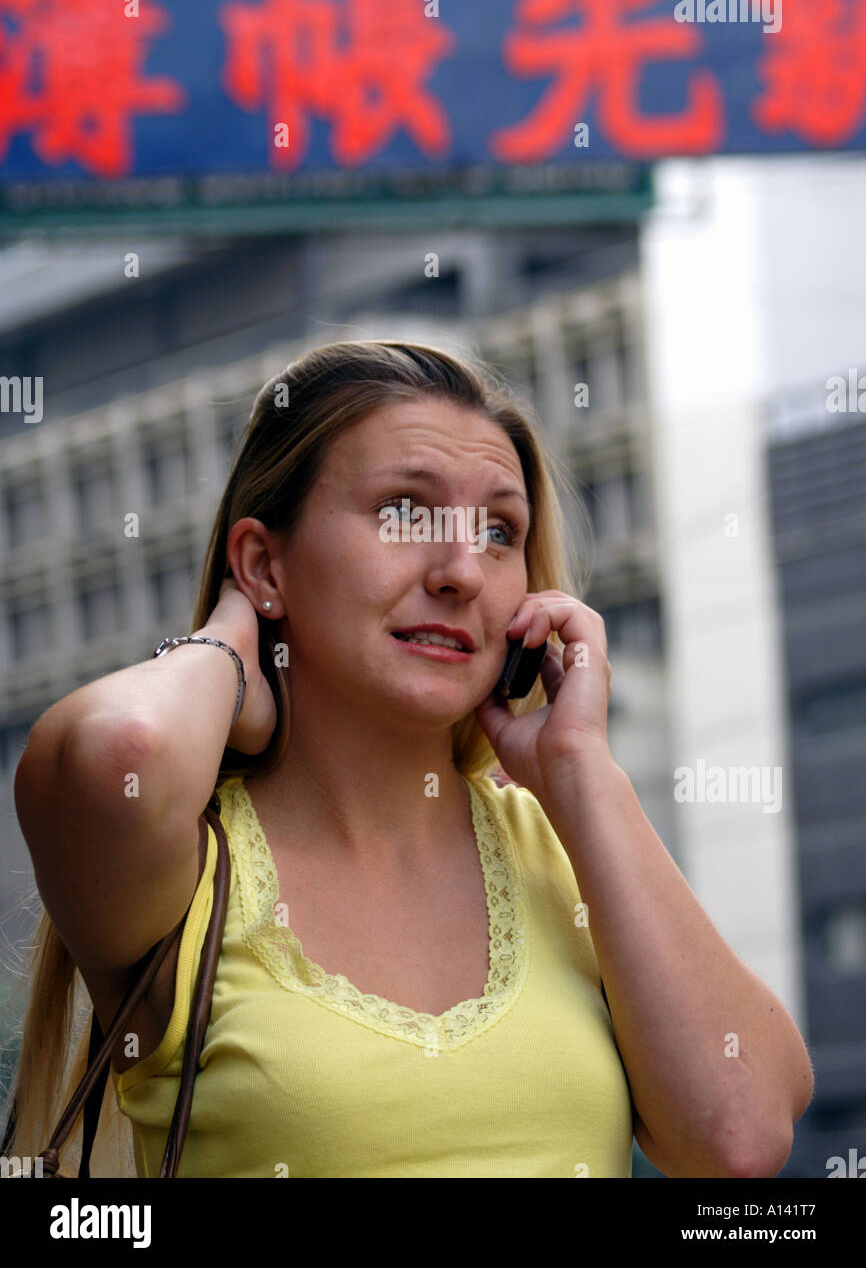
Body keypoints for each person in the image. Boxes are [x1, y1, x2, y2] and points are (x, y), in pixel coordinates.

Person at [2, 339, 813, 1178]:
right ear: (263, 562)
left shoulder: (566, 851)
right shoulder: (185, 874)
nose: (463, 570)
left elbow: (740, 1141)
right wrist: (229, 647)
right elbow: (119, 747)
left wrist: (580, 772)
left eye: (500, 530)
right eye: (404, 513)